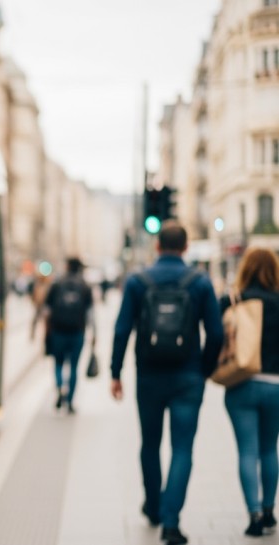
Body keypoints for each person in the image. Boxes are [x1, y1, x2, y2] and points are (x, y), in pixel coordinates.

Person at [109, 220, 223, 545]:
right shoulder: (200, 282)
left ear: (157, 247)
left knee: (149, 443)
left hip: (149, 375)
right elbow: (215, 333)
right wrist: (205, 368)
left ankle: (154, 506)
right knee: (183, 448)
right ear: (186, 248)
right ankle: (171, 523)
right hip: (189, 376)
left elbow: (121, 330)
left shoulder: (137, 281)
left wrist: (115, 373)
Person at [218, 247, 279, 537]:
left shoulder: (232, 300)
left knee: (247, 451)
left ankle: (253, 515)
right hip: (276, 386)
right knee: (269, 449)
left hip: (241, 384)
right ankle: (269, 511)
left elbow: (217, 336)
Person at [43, 256, 94, 414]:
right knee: (73, 367)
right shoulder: (85, 286)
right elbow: (90, 313)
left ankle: (60, 389)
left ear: (67, 266)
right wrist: (95, 334)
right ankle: (70, 401)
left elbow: (47, 310)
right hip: (77, 332)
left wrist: (46, 331)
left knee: (58, 364)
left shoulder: (57, 283)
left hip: (58, 331)